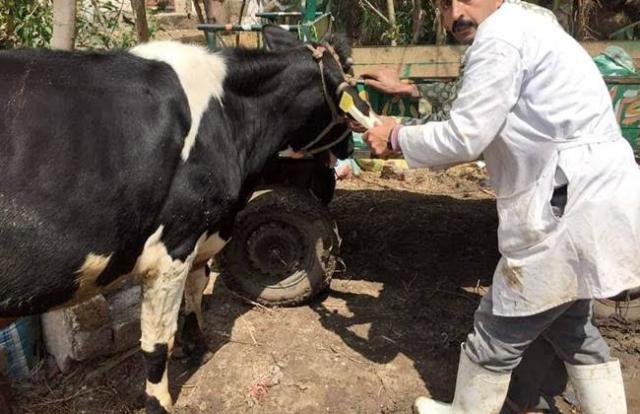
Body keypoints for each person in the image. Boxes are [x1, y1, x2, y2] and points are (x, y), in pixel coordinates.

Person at [361, 1, 640, 413]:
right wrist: (410, 90)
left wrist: (397, 136)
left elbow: (465, 136)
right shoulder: (527, 24)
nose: (456, 12)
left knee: (499, 324)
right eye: (444, 4)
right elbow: (475, 103)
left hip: (562, 202)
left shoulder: (499, 39)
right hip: (592, 195)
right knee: (572, 325)